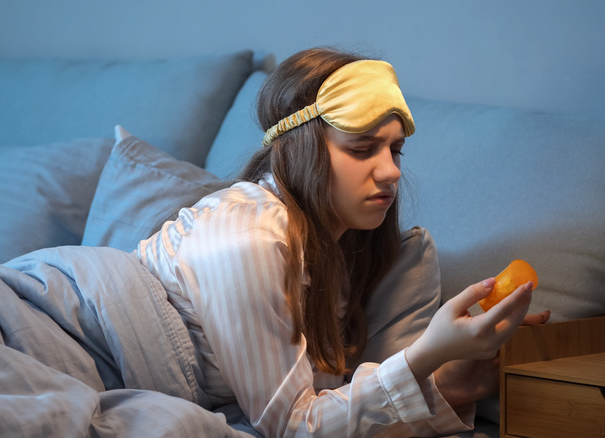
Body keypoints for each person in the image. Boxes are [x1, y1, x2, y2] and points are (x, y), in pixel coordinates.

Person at [135, 47, 546, 437]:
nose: (391, 172)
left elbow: (319, 414)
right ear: (302, 151)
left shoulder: (335, 256)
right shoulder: (248, 237)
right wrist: (427, 355)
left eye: (396, 150)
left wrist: (450, 382)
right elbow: (292, 427)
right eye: (363, 148)